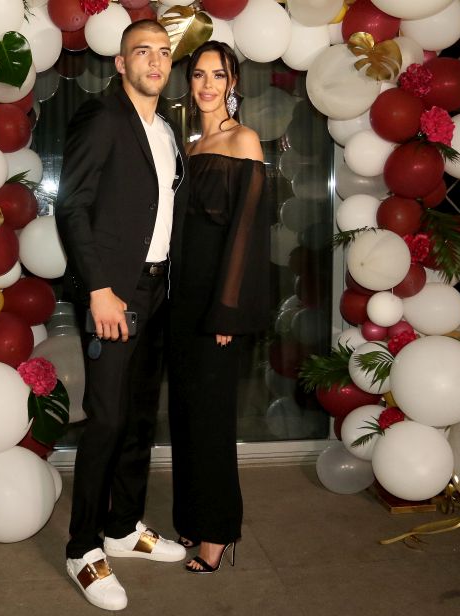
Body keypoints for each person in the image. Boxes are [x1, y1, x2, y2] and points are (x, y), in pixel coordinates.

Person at [54, 20, 189, 611]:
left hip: (159, 290)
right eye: (143, 51)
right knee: (106, 421)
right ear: (120, 62)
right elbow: (72, 206)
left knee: (138, 418)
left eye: (163, 52)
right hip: (116, 292)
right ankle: (82, 548)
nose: (155, 61)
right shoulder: (103, 116)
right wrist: (99, 289)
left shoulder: (166, 128)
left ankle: (123, 527)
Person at [167, 40, 269, 575]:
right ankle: (191, 516)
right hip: (181, 301)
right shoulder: (190, 145)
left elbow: (245, 232)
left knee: (211, 419)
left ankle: (218, 533)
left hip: (217, 303)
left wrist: (228, 311)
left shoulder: (243, 140)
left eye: (219, 75)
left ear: (233, 84)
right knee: (185, 414)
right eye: (199, 74)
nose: (208, 85)